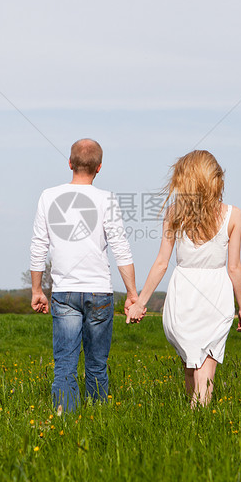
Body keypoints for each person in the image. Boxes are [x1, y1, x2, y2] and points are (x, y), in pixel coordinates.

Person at [127, 150, 241, 407]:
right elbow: (234, 268)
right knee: (206, 365)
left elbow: (161, 263)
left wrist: (140, 302)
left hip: (183, 291)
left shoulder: (174, 213)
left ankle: (191, 418)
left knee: (189, 364)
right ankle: (199, 421)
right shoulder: (233, 215)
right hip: (216, 292)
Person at [30, 138, 140, 412]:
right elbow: (121, 249)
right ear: (99, 167)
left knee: (65, 362)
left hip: (64, 292)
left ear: (69, 163)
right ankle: (97, 417)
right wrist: (132, 294)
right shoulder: (107, 200)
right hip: (100, 292)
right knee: (96, 364)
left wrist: (37, 290)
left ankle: (65, 418)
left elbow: (38, 246)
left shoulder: (48, 196)